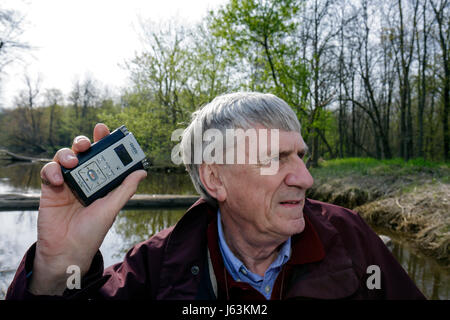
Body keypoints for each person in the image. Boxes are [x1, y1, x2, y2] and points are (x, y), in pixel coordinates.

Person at [6, 92, 425, 300]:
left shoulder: (348, 235)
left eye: (300, 155)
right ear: (215, 178)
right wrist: (55, 270)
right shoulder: (153, 270)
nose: (305, 177)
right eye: (276, 159)